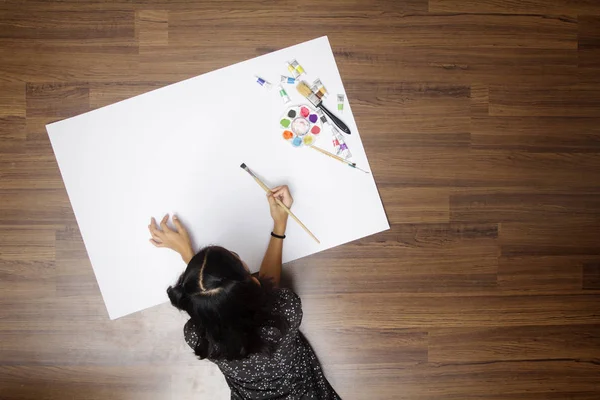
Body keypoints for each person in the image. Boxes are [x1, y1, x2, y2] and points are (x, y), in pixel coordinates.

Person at [148, 185, 341, 399]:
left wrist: (191, 259)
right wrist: (280, 223)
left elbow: (216, 299)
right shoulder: (287, 310)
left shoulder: (196, 337)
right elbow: (268, 290)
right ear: (253, 282)